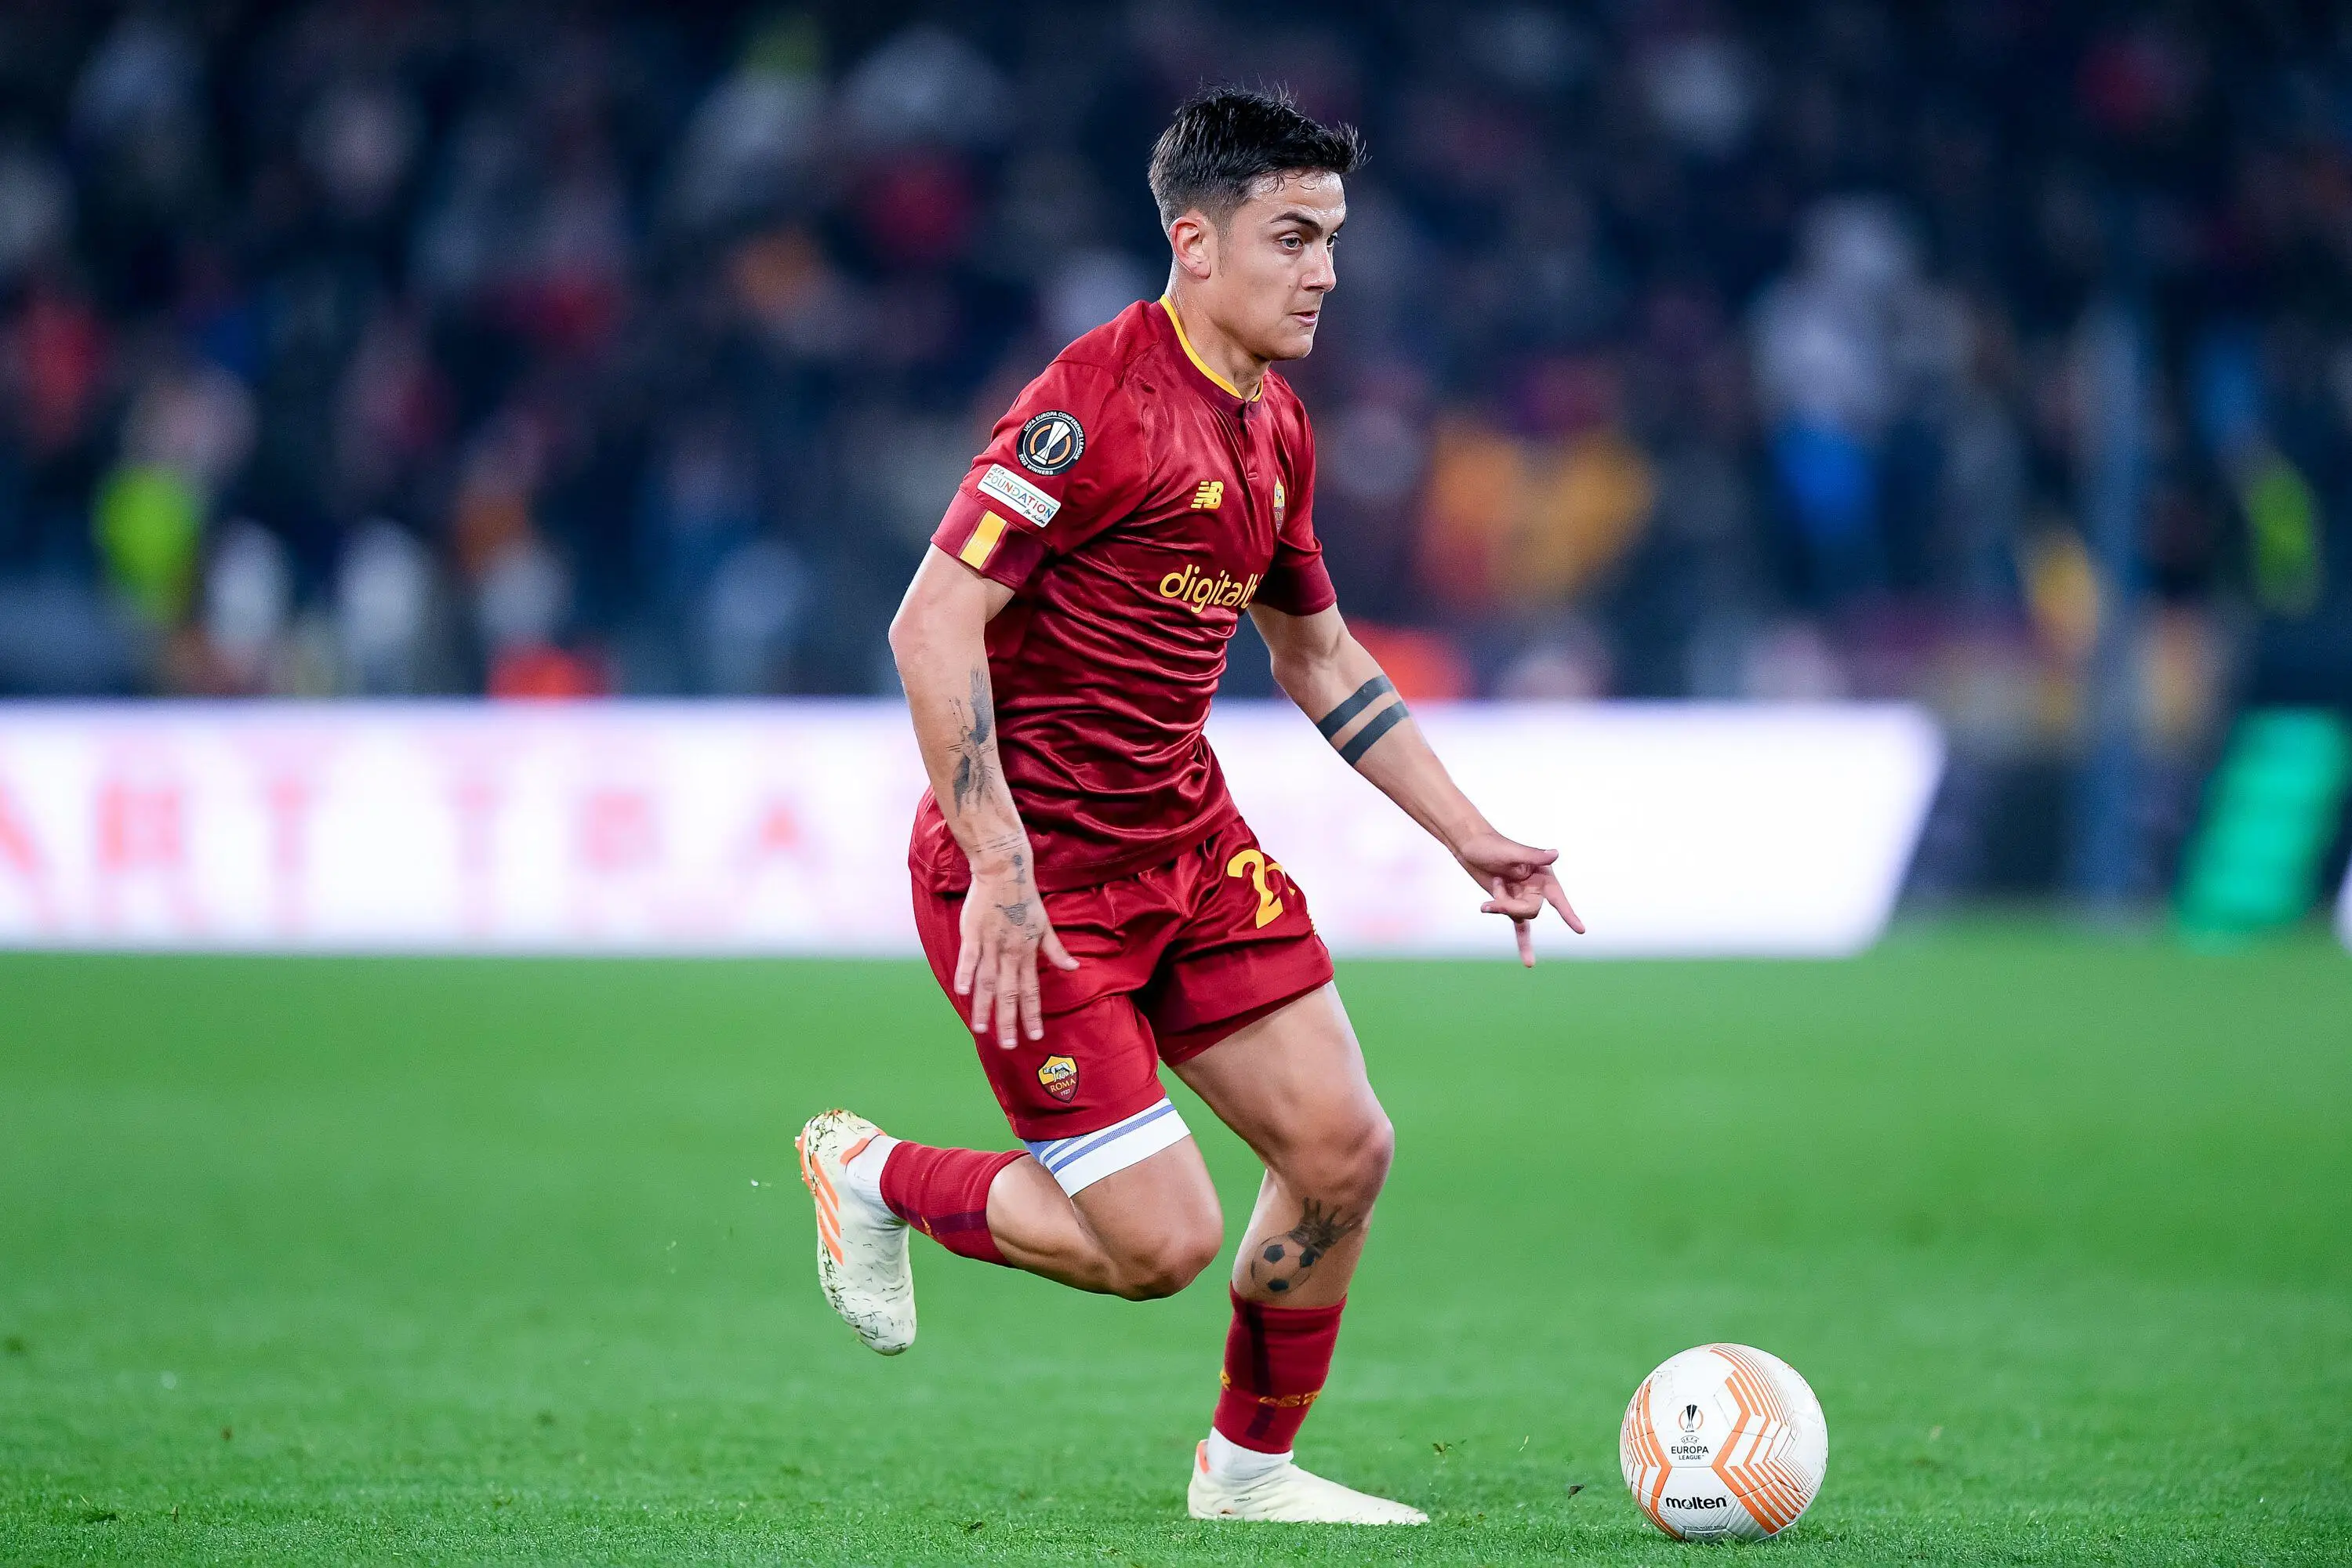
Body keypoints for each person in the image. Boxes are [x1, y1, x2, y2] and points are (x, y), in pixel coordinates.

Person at [795, 86, 1581, 1526]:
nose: (1325, 272)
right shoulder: (1087, 405)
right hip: (1033, 884)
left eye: (1334, 239)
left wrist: (1471, 832)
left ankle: (1250, 1473)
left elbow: (1318, 654)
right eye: (1294, 238)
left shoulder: (1274, 426)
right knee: (1157, 1244)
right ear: (1195, 242)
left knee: (1345, 1148)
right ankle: (878, 1173)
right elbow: (929, 626)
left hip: (1187, 847)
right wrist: (1002, 868)